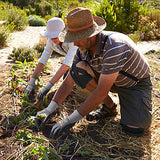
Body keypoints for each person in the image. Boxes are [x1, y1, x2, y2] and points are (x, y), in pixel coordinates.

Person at [35, 7, 152, 138]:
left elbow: (101, 91)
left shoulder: (114, 45)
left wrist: (70, 120)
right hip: (107, 78)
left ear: (92, 34)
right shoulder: (82, 49)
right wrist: (49, 109)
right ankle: (109, 107)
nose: (75, 42)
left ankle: (131, 106)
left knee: (134, 130)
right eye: (73, 37)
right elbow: (68, 82)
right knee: (78, 69)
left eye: (79, 38)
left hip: (133, 84)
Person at [23, 17, 78, 100]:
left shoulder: (72, 40)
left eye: (55, 36)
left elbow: (67, 64)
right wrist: (32, 82)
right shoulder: (51, 41)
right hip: (73, 60)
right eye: (51, 36)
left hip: (86, 60)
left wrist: (48, 86)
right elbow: (43, 60)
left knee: (72, 82)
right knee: (66, 80)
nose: (52, 39)